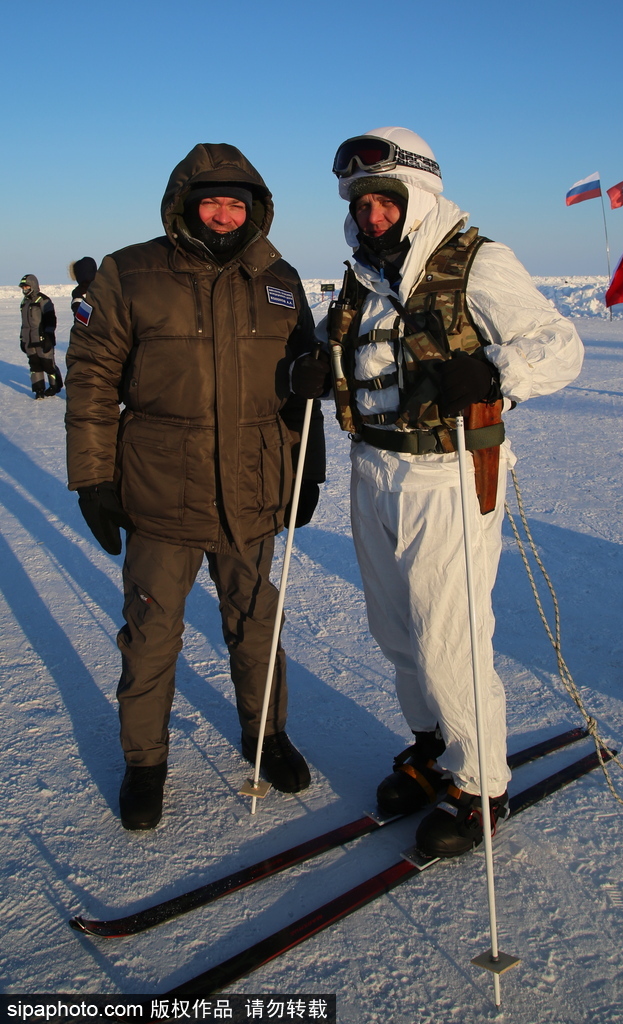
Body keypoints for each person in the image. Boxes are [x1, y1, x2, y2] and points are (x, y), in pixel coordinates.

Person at [292, 127, 583, 858]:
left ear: (417, 197)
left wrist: (493, 372)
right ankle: (431, 747)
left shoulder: (476, 262)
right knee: (395, 630)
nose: (372, 216)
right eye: (361, 204)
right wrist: (310, 367)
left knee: (448, 636)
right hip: (372, 467)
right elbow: (340, 347)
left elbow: (560, 345)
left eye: (385, 202)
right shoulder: (362, 278)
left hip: (447, 472)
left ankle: (481, 784)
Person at [65, 143, 325, 831]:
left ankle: (267, 736)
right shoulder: (130, 272)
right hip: (160, 492)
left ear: (256, 210)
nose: (223, 214)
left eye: (236, 203)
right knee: (152, 633)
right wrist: (92, 478)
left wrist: (307, 468)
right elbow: (91, 380)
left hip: (252, 489)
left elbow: (302, 387)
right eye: (211, 202)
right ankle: (145, 762)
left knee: (256, 624)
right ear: (184, 204)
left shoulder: (279, 279)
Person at [19, 275, 63, 398]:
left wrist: (48, 336)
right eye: (23, 287)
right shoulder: (24, 303)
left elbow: (51, 320)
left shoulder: (43, 300)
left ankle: (55, 386)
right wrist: (22, 338)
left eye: (27, 286)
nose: (25, 289)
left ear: (33, 285)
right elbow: (24, 324)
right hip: (29, 340)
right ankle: (39, 390)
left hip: (43, 339)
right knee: (35, 365)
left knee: (48, 364)